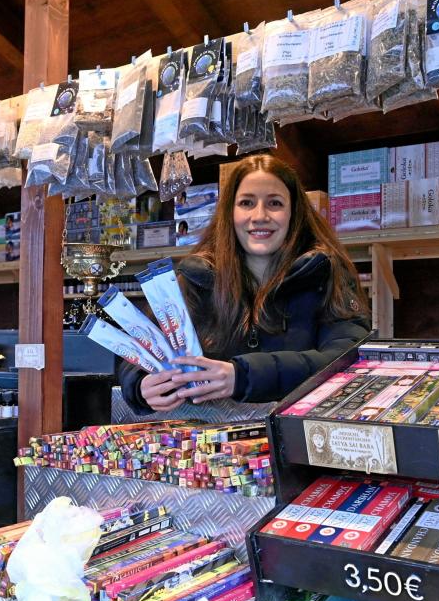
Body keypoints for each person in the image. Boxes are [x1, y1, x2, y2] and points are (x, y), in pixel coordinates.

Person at [118, 154, 370, 414]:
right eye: (247, 203)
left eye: (275, 203)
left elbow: (348, 360)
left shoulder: (325, 274)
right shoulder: (195, 278)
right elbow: (141, 352)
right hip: (208, 447)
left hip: (300, 443)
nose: (260, 216)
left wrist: (243, 376)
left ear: (294, 212)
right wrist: (141, 386)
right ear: (230, 212)